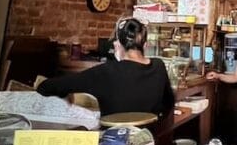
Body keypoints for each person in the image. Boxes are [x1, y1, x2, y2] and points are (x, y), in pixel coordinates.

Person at [38, 17, 174, 117]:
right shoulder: (159, 66)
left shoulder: (106, 72)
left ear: (117, 45)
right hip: (149, 139)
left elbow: (46, 87)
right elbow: (169, 103)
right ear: (145, 45)